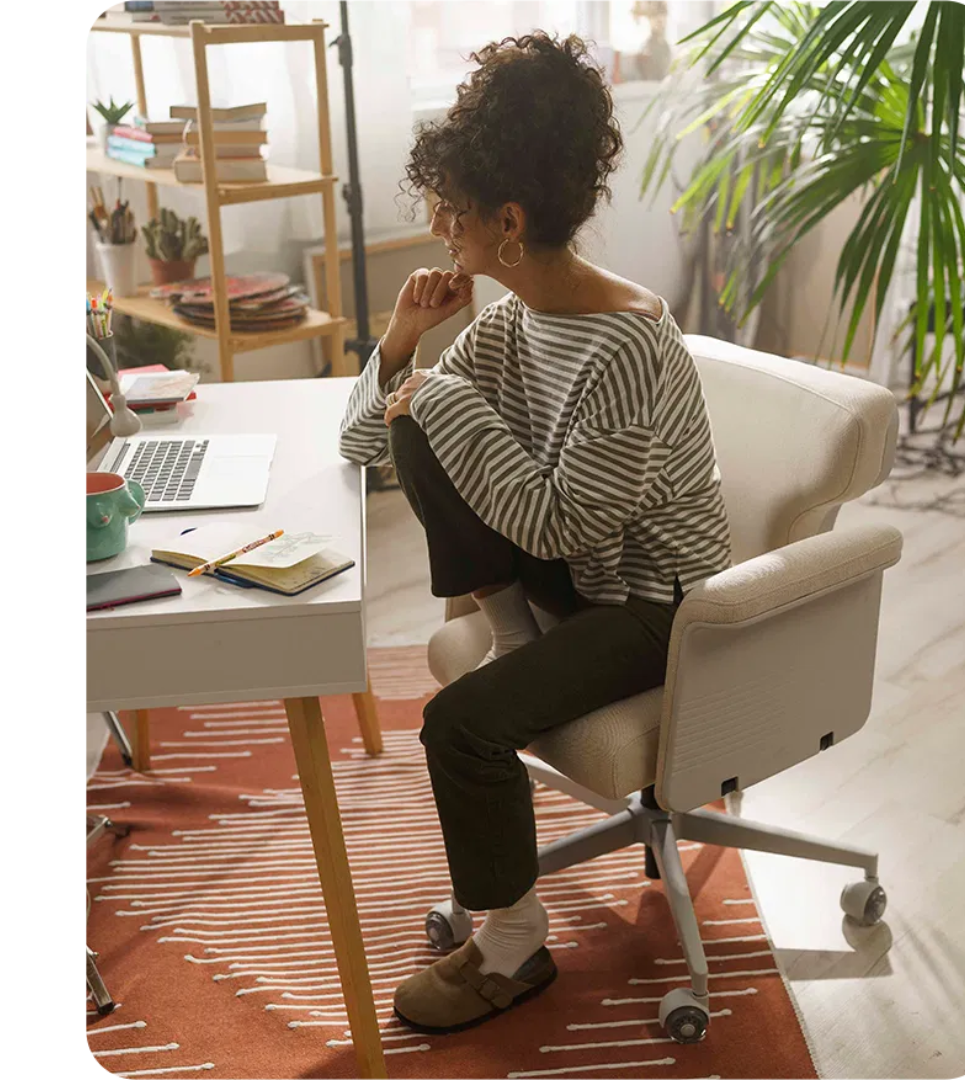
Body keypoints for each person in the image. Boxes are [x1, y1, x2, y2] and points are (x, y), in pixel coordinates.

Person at [338, 31, 732, 1033]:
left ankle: (512, 945)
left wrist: (442, 403)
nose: (439, 227)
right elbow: (366, 445)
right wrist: (399, 347)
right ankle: (518, 643)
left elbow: (562, 522)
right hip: (572, 582)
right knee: (421, 420)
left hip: (655, 606)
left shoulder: (630, 342)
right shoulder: (521, 322)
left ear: (507, 221)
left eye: (453, 210)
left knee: (459, 724)